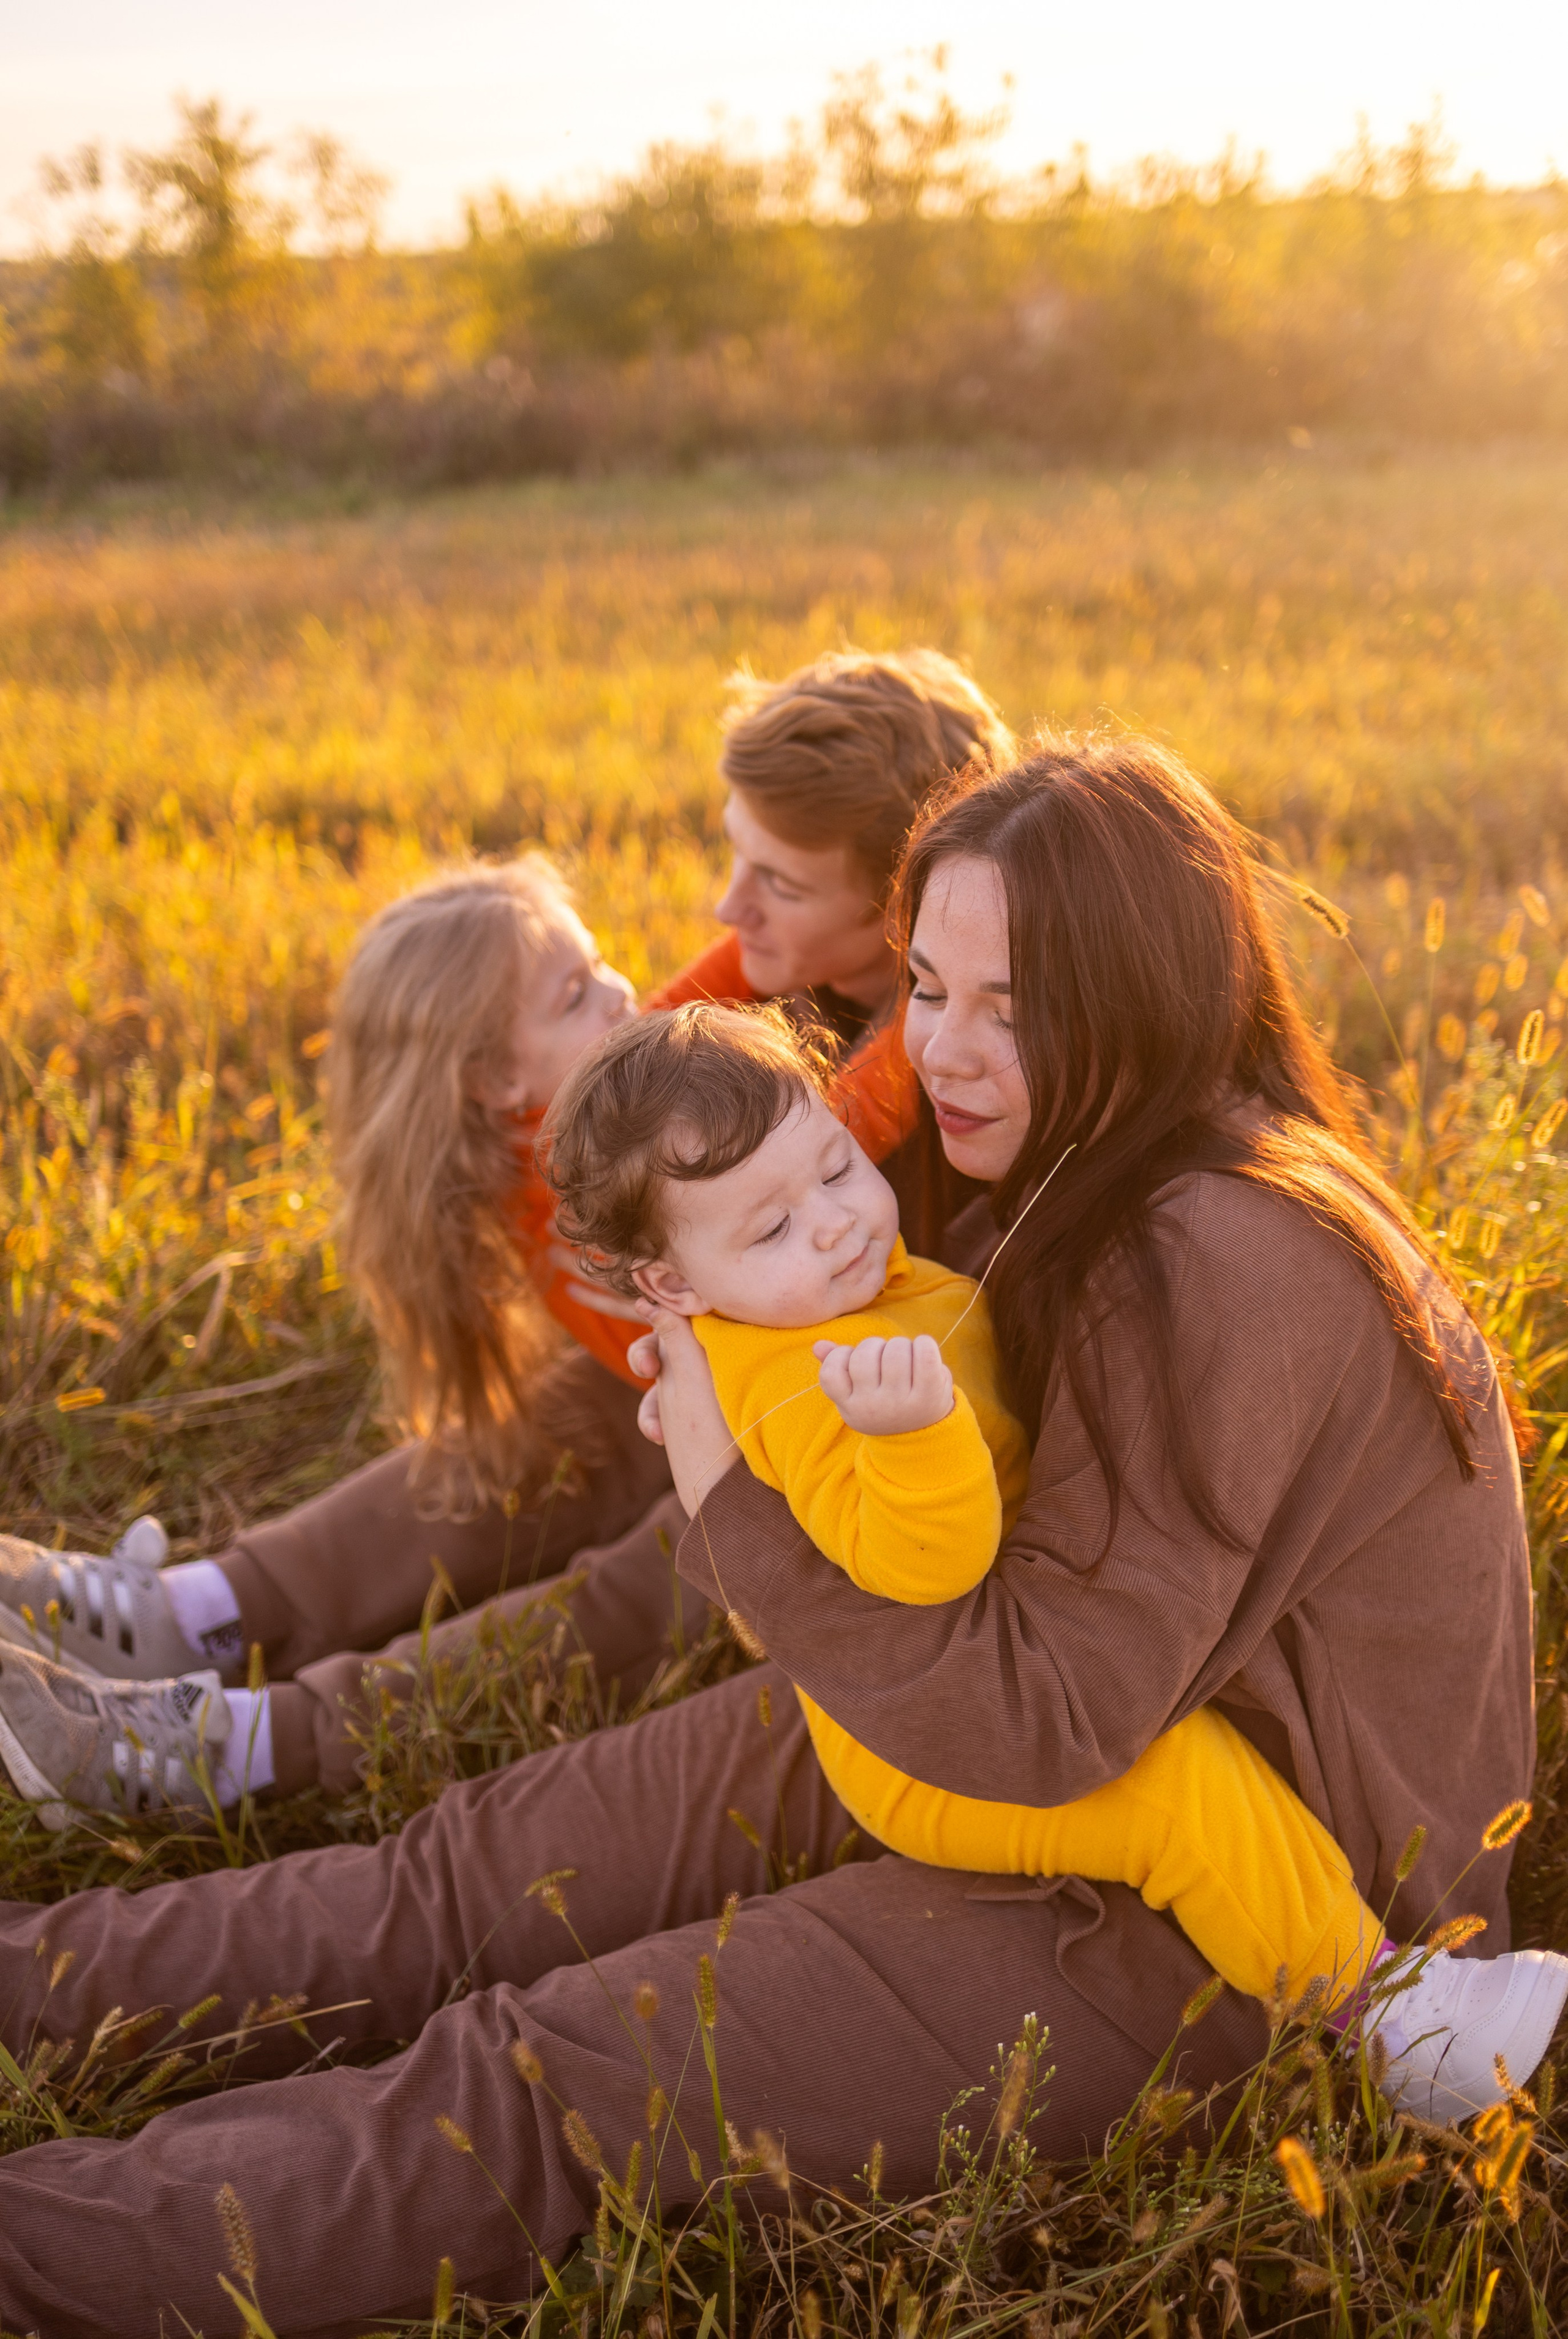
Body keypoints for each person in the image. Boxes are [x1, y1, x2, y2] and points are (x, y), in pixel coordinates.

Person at [0, 736, 1545, 2338]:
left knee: (536, 2081)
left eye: (1012, 1005)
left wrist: (727, 1491)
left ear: (1148, 992)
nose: (941, 1048)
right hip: (995, 1698)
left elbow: (1052, 1722)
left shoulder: (1211, 1255)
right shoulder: (1079, 1167)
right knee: (464, 1872)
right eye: (926, 986)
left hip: (1246, 1907)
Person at [0, 650, 1012, 1805]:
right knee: (532, 1434)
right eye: (736, 859)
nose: (728, 907)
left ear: (900, 904)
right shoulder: (794, 999)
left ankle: (247, 1745)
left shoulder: (975, 1076)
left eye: (777, 882)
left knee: (659, 1563)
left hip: (865, 1453)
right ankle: (195, 1612)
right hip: (728, 1363)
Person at [542, 998, 1566, 2101]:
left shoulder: (841, 1298)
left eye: (835, 1169)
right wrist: (914, 1438)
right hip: (923, 1744)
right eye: (771, 1230)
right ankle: (1392, 2021)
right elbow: (918, 1571)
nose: (833, 1224)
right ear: (674, 1287)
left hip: (964, 1670)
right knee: (1178, 1798)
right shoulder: (801, 1381)